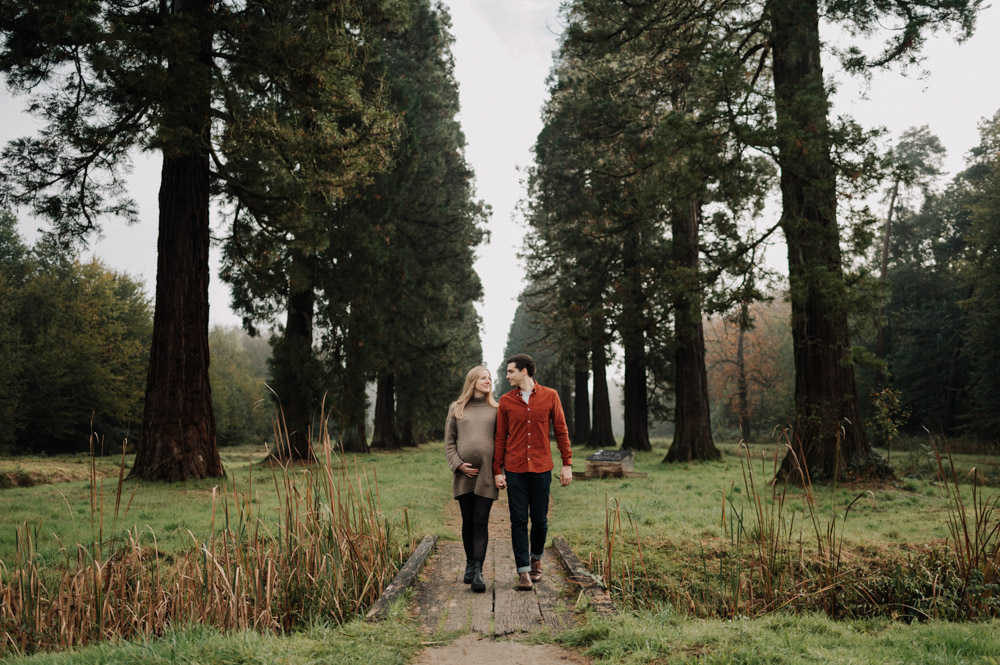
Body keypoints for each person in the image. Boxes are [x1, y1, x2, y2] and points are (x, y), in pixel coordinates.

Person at [493, 353, 572, 591]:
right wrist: (498, 469)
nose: (507, 376)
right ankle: (523, 571)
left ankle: (536, 558)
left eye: (511, 371)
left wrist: (566, 464)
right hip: (515, 468)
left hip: (541, 468)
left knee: (539, 519)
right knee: (518, 520)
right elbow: (500, 438)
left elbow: (561, 430)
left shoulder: (550, 396)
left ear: (524, 371)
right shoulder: (506, 401)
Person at [444, 365, 499, 593]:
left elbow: (501, 442)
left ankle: (478, 570)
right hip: (463, 476)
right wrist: (458, 465)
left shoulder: (496, 409)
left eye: (489, 378)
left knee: (480, 520)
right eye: (483, 377)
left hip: (486, 474)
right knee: (467, 521)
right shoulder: (457, 409)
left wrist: (499, 470)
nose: (488, 381)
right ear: (473, 381)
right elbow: (449, 443)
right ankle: (469, 563)